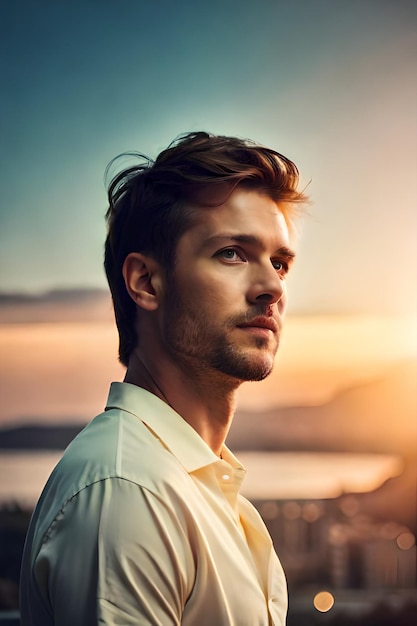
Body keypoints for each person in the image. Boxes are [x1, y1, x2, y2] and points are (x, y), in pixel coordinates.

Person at [20, 131, 307, 625]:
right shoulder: (128, 493)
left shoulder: (191, 484)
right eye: (233, 253)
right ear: (146, 282)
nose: (271, 288)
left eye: (279, 263)